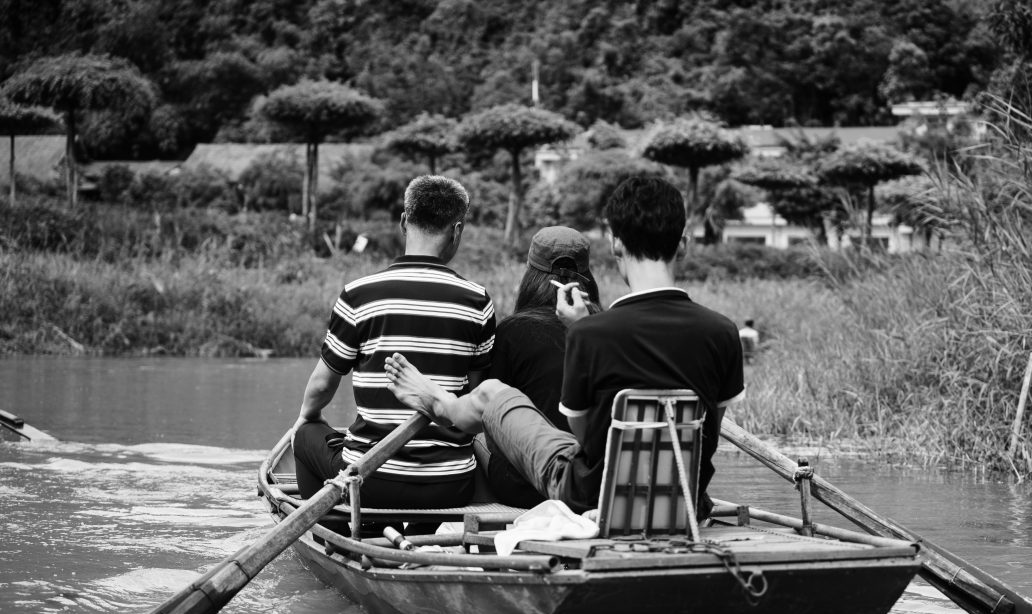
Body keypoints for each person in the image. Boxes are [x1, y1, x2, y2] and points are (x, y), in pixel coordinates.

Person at [385, 176, 744, 515]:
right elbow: (707, 437)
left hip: (593, 497)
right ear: (683, 243)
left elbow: (586, 441)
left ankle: (437, 400)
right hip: (686, 502)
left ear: (616, 242)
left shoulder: (591, 334)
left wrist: (584, 335)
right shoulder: (724, 332)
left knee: (492, 393)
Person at [292, 175, 495, 509]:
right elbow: (476, 397)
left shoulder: (359, 295)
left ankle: (336, 530)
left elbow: (321, 387)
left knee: (304, 436)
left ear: (404, 222)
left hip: (370, 482)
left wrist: (306, 417)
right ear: (457, 230)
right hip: (451, 484)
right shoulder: (477, 301)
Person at [481, 225, 600, 507]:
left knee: (476, 437)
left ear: (530, 273)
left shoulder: (511, 331)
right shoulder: (605, 332)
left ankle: (485, 524)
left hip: (527, 488)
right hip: (592, 485)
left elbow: (490, 418)